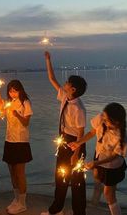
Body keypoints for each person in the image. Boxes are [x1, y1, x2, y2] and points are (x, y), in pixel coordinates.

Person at [41, 51, 87, 215]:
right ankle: (56, 209)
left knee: (76, 180)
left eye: (67, 82)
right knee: (60, 176)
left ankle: (79, 212)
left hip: (76, 142)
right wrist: (48, 60)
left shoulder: (78, 108)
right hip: (64, 140)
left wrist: (76, 153)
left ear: (72, 89)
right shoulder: (65, 97)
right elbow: (52, 79)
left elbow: (81, 133)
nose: (64, 83)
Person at [69, 102, 127, 215]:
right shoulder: (101, 118)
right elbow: (92, 132)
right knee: (98, 179)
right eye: (103, 117)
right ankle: (96, 199)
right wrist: (78, 143)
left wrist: (96, 163)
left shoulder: (121, 137)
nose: (103, 121)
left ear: (116, 122)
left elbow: (114, 156)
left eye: (106, 120)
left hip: (112, 165)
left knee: (109, 194)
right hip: (100, 156)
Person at [0, 80, 33, 214]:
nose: (12, 93)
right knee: (12, 172)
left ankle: (22, 203)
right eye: (10, 91)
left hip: (21, 142)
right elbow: (0, 114)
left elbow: (26, 122)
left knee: (20, 173)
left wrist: (17, 114)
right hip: (9, 140)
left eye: (15, 90)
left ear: (20, 90)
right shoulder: (9, 103)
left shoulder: (25, 103)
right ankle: (16, 199)